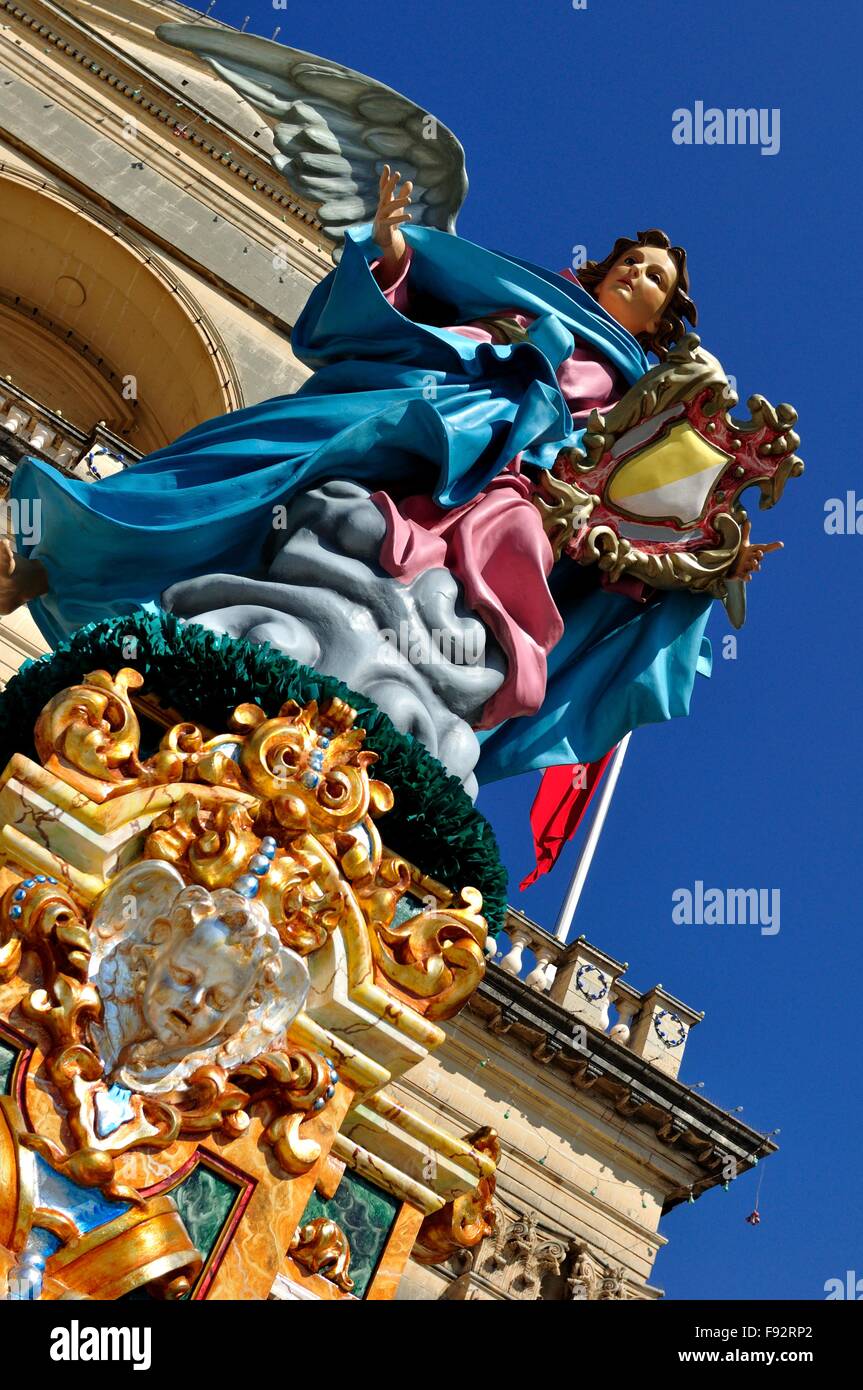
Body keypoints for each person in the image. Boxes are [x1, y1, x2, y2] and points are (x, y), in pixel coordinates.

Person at [0, 170, 780, 781]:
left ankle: (78, 564)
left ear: (658, 321)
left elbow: (630, 501)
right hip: (438, 410)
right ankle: (68, 546)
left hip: (512, 492)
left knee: (473, 573)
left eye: (654, 282)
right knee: (264, 450)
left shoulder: (645, 394)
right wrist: (393, 248)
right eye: (632, 263)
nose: (636, 277)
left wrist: (697, 551)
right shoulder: (529, 296)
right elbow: (432, 309)